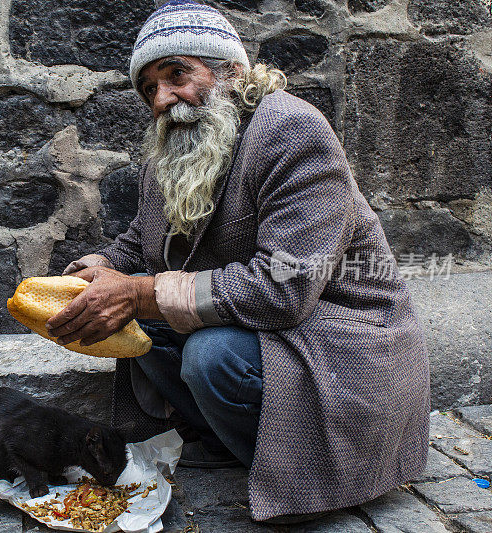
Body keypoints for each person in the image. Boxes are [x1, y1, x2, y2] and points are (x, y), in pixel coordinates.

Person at [46, 0, 430, 524]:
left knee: (212, 355)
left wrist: (136, 291)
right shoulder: (175, 148)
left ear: (230, 70)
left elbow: (283, 286)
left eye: (176, 74)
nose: (162, 99)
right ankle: (229, 442)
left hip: (343, 341)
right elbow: (141, 244)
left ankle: (307, 476)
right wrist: (94, 270)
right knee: (137, 322)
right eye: (149, 89)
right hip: (274, 328)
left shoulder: (291, 130)